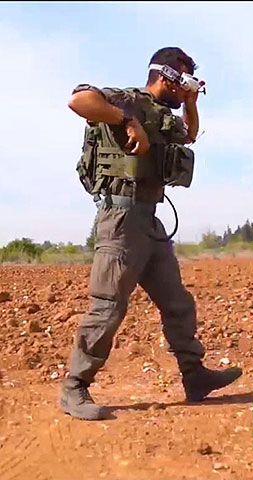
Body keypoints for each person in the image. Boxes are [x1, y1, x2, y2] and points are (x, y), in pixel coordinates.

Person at [61, 47, 242, 421]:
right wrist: (127, 121)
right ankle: (74, 387)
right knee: (108, 307)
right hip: (120, 221)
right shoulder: (127, 100)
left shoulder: (164, 115)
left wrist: (191, 103)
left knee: (177, 303)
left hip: (150, 221)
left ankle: (194, 377)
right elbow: (78, 100)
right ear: (166, 77)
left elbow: (189, 135)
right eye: (185, 81)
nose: (187, 88)